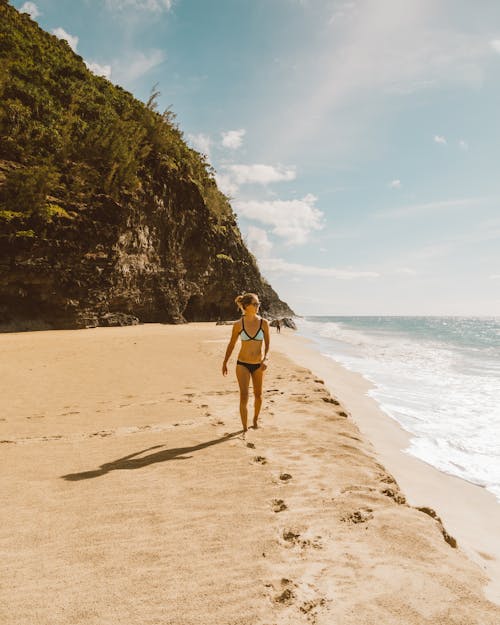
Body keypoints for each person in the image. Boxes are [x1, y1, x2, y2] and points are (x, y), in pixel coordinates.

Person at [222, 293, 270, 432]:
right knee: (244, 395)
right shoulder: (238, 325)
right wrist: (225, 362)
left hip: (258, 365)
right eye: (255, 304)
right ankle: (244, 427)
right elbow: (231, 344)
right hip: (242, 363)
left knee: (258, 395)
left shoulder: (264, 323)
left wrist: (266, 358)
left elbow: (267, 346)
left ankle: (255, 419)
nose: (258, 306)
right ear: (246, 306)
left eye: (258, 304)